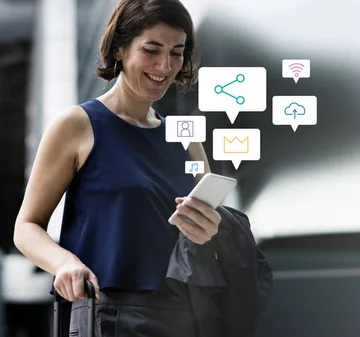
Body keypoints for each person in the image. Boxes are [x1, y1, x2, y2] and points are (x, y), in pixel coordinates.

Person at [12, 0, 219, 335]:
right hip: (106, 314)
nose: (165, 65)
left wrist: (210, 231)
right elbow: (26, 228)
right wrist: (65, 264)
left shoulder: (187, 139)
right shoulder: (77, 125)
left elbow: (207, 243)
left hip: (185, 316)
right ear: (120, 48)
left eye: (176, 52)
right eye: (151, 50)